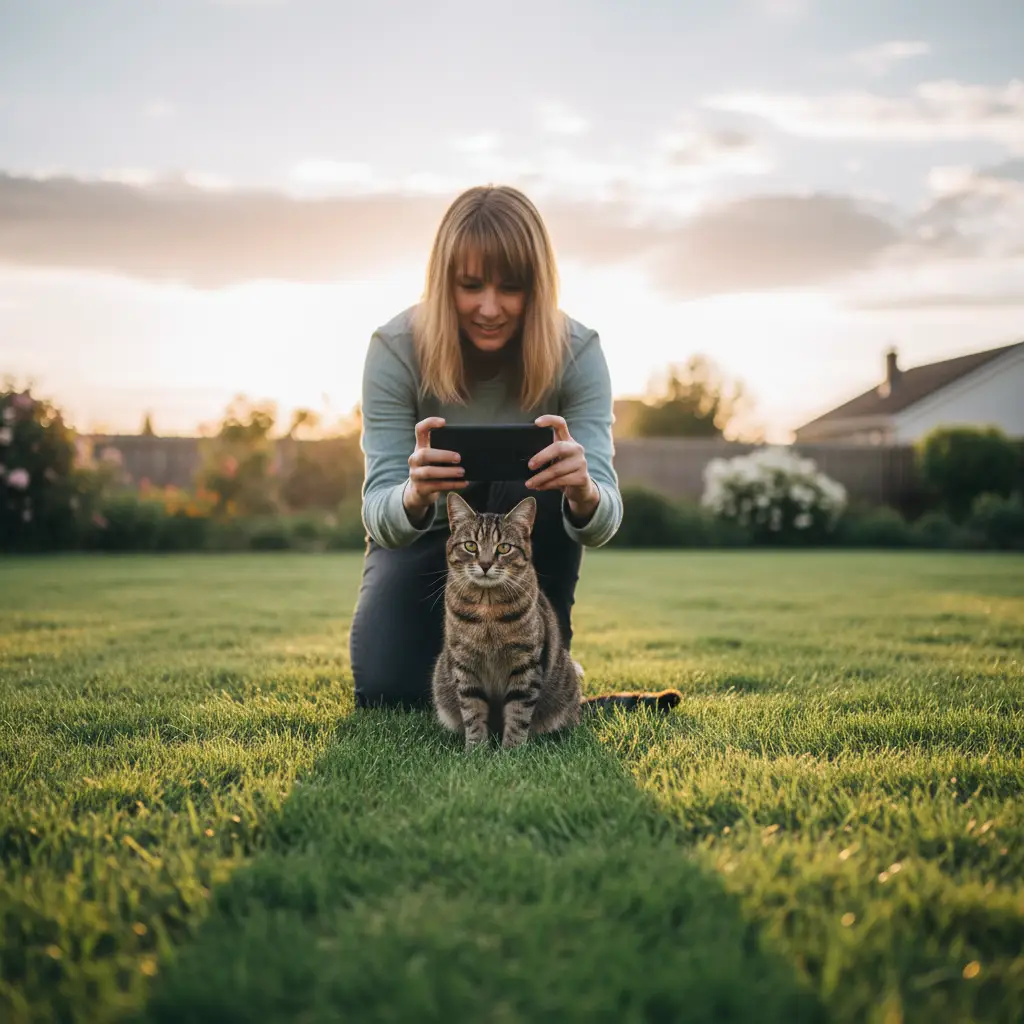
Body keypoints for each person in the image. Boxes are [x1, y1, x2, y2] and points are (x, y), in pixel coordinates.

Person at [349, 184, 623, 710]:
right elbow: (378, 510)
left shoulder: (578, 350)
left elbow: (605, 516)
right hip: (429, 536)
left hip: (530, 538)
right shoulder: (394, 348)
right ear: (443, 281)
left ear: (537, 286)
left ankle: (542, 658)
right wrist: (413, 495)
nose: (490, 309)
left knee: (524, 693)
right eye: (470, 286)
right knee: (389, 692)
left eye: (511, 288)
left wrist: (584, 491)